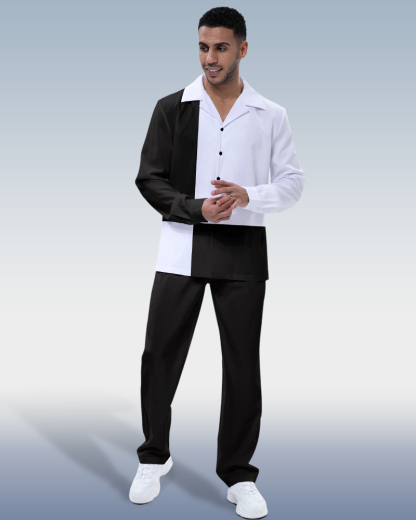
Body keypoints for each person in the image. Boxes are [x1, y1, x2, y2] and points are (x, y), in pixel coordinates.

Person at [129, 7, 305, 519]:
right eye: (204, 47)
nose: (210, 57)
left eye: (221, 48)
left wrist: (249, 195)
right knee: (159, 355)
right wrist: (196, 208)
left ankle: (238, 474)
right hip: (180, 246)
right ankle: (154, 457)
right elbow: (149, 178)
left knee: (242, 364)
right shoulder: (171, 108)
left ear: (242, 49)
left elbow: (293, 182)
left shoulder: (270, 114)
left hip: (243, 249)